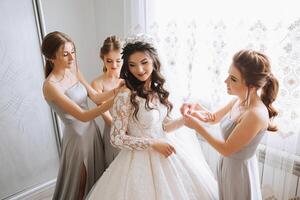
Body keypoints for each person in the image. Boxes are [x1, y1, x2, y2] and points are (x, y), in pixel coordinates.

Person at [86, 39, 218, 200]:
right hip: (139, 160)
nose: (139, 70)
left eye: (144, 62)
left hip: (167, 151)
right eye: (132, 65)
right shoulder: (125, 94)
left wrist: (186, 119)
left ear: (154, 61)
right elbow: (116, 138)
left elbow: (164, 126)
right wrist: (153, 143)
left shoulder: (157, 89)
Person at [182, 50, 279, 200]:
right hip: (228, 167)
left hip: (239, 173)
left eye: (233, 79)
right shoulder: (239, 100)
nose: (226, 81)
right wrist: (197, 110)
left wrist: (196, 126)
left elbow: (226, 149)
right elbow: (214, 118)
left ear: (252, 86)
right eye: (228, 75)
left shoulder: (255, 114)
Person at [41, 31, 121, 200]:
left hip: (92, 134)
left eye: (73, 51)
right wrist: (116, 100)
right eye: (65, 54)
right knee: (79, 186)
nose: (72, 57)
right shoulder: (50, 86)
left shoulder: (74, 71)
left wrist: (116, 90)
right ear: (51, 57)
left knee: (96, 182)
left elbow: (96, 96)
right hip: (77, 140)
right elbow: (83, 116)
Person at [91, 36, 123, 167]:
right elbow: (107, 119)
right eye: (109, 61)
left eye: (118, 61)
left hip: (134, 132)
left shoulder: (129, 80)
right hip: (114, 133)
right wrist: (123, 132)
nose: (114, 65)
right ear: (102, 58)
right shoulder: (97, 84)